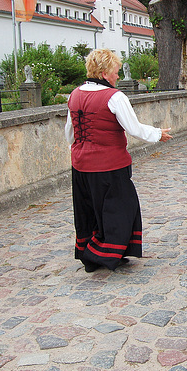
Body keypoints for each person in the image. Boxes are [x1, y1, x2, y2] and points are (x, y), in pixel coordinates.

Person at [65, 49, 172, 273]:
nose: (117, 77)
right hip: (110, 166)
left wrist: (76, 150)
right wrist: (157, 134)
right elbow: (132, 128)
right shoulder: (114, 97)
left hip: (81, 166)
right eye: (115, 72)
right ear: (104, 73)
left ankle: (91, 256)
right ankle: (102, 254)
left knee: (90, 210)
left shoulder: (74, 94)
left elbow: (70, 131)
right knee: (121, 209)